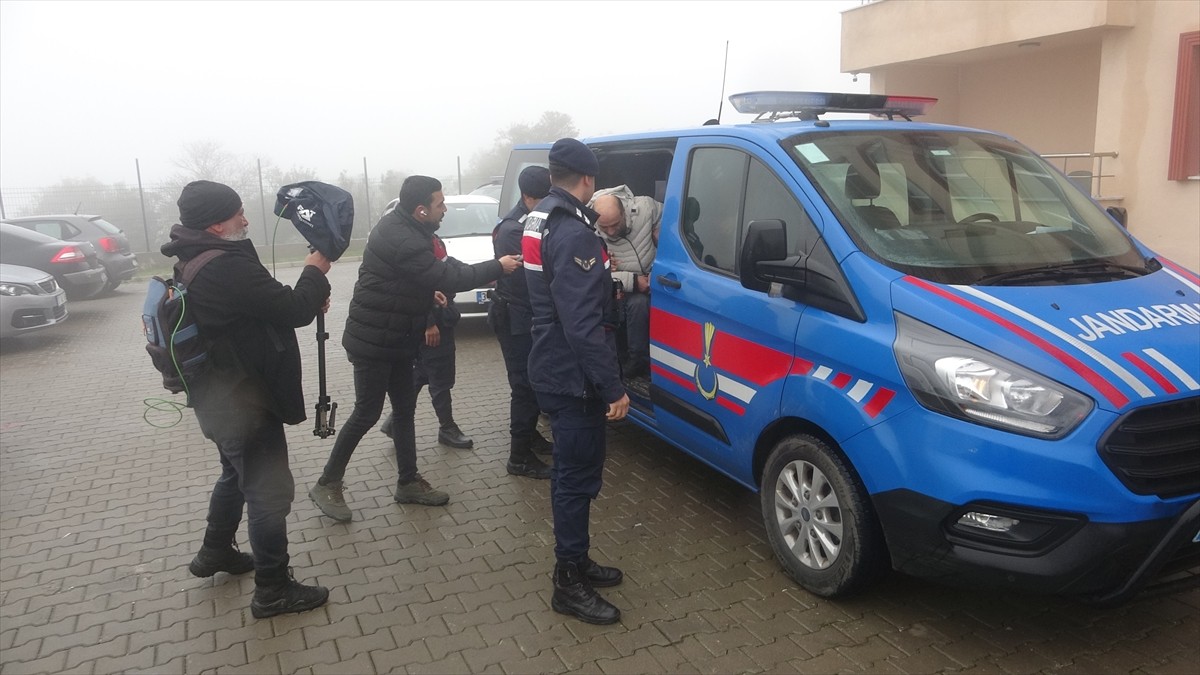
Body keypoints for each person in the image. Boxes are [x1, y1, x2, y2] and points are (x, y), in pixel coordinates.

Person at [161, 180, 332, 619]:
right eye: (238, 213)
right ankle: (273, 590)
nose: (246, 219)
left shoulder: (195, 255)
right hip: (243, 400)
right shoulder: (224, 266)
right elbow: (292, 310)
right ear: (217, 223)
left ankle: (214, 552)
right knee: (269, 491)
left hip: (218, 396)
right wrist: (315, 271)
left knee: (234, 474)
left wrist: (305, 297)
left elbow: (269, 306)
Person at [308, 176, 520, 522]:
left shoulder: (407, 228)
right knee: (366, 412)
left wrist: (426, 294)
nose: (444, 209)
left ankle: (408, 482)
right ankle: (327, 482)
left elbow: (421, 275)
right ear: (421, 210)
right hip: (374, 342)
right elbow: (449, 277)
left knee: (405, 410)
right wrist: (498, 266)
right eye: (440, 204)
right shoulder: (402, 237)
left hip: (398, 338)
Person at [523, 139, 630, 625]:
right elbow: (583, 324)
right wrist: (614, 388)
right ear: (587, 180)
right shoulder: (573, 233)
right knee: (575, 477)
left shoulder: (541, 217)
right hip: (573, 374)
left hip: (551, 360)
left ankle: (577, 559)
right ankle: (567, 581)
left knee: (573, 473)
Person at [489, 166, 555, 479]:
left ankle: (529, 436)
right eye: (544, 199)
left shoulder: (532, 221)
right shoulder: (513, 230)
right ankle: (518, 458)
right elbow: (533, 278)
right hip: (515, 316)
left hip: (524, 315)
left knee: (531, 382)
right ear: (528, 198)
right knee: (524, 386)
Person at [380, 233, 474, 450]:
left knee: (422, 372)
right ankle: (447, 428)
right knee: (440, 377)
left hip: (441, 310)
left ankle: (394, 423)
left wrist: (488, 269)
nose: (443, 210)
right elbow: (415, 285)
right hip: (432, 318)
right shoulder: (413, 241)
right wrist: (428, 323)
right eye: (439, 204)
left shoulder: (429, 236)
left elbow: (448, 264)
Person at [589, 185, 662, 380]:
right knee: (637, 304)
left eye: (615, 224)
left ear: (624, 211)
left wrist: (663, 233)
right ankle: (636, 360)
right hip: (617, 286)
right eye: (604, 227)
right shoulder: (587, 229)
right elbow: (589, 275)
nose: (611, 232)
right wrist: (631, 280)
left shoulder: (646, 208)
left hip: (655, 276)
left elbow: (684, 215)